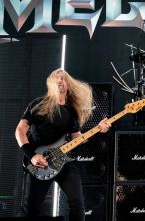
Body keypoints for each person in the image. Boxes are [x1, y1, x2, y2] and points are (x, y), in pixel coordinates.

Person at [15, 69, 111, 221]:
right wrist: (32, 156)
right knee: (29, 211)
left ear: (68, 84)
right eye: (56, 79)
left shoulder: (72, 111)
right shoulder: (38, 104)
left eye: (63, 78)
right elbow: (20, 130)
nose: (60, 81)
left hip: (63, 162)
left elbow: (76, 138)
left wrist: (99, 129)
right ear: (51, 84)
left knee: (78, 205)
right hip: (39, 162)